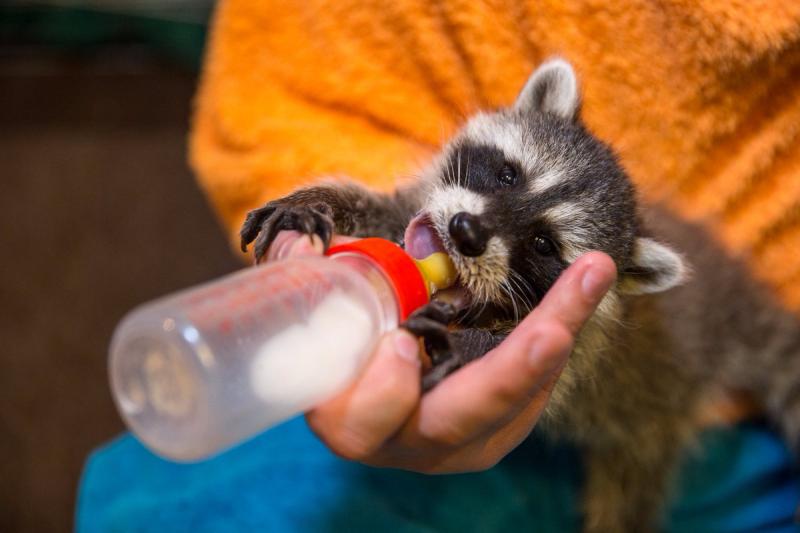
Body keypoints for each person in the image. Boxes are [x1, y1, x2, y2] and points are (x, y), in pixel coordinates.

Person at [78, 1, 800, 531]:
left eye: (544, 247)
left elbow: (526, 352)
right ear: (522, 108)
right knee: (137, 500)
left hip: (667, 414)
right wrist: (316, 210)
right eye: (500, 173)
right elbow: (387, 208)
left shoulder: (644, 310)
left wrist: (470, 339)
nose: (472, 219)